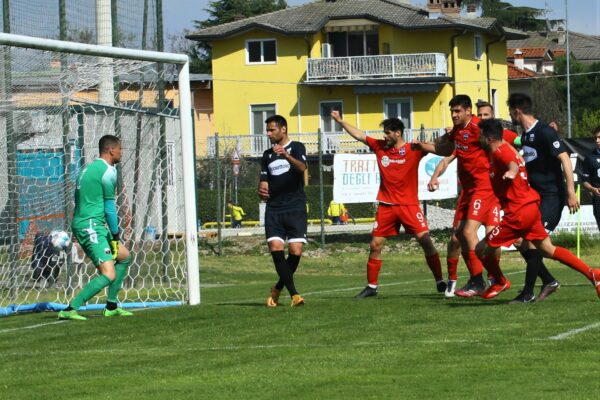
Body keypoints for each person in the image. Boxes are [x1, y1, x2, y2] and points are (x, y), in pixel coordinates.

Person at [476, 118, 600, 299]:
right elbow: (516, 156)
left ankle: (500, 281)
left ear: (488, 138)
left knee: (481, 248)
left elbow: (511, 162)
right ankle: (593, 274)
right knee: (548, 249)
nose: (478, 138)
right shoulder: (499, 151)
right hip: (530, 208)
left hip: (518, 213)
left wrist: (512, 171)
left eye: (480, 135)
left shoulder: (502, 152)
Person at [331, 110, 445, 298]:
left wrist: (448, 136)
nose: (384, 136)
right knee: (375, 244)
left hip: (409, 205)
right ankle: (371, 287)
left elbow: (439, 149)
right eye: (384, 132)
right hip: (386, 205)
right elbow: (359, 135)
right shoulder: (380, 147)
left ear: (398, 133)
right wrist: (340, 121)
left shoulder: (413, 149)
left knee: (426, 241)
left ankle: (440, 281)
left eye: (388, 133)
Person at [414, 95, 515, 298]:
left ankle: (482, 279)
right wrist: (421, 146)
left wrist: (532, 139)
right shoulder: (458, 132)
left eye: (457, 111)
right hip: (468, 192)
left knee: (472, 233)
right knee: (459, 235)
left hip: (484, 188)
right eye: (452, 111)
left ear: (468, 111)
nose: (454, 115)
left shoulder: (480, 127)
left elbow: (509, 140)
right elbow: (444, 149)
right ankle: (485, 279)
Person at [507, 93, 579, 303]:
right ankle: (548, 281)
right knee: (520, 241)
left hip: (552, 198)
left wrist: (570, 192)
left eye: (511, 111)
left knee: (532, 243)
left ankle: (528, 293)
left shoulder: (545, 132)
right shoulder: (527, 135)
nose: (510, 115)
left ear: (517, 111)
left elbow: (565, 159)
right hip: (535, 199)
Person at [58, 135, 132, 320]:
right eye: (120, 149)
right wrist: (115, 234)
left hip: (89, 223)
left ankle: (111, 306)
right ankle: (70, 309)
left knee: (124, 257)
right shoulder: (108, 171)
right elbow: (109, 208)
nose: (121, 152)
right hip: (91, 226)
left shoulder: (87, 169)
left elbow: (79, 198)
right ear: (111, 150)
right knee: (109, 274)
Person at [259, 115, 307, 307]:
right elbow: (263, 181)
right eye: (267, 130)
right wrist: (261, 190)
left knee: (295, 251)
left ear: (283, 129)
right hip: (274, 209)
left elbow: (302, 168)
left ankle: (277, 288)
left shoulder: (297, 147)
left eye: (272, 130)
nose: (268, 133)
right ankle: (295, 295)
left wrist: (286, 155)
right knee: (276, 248)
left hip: (295, 207)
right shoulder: (266, 155)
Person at [581, 126, 600, 231]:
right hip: (598, 199)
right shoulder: (589, 157)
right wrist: (593, 189)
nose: (597, 141)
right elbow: (584, 181)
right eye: (596, 138)